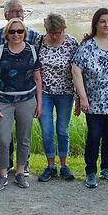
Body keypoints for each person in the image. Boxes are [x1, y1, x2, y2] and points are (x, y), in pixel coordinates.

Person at [72, 8, 108, 189]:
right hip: (94, 101)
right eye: (103, 21)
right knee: (94, 135)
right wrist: (82, 97)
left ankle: (106, 168)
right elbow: (76, 70)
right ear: (96, 23)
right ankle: (90, 171)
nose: (106, 25)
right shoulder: (87, 46)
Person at [0, 18, 42, 190]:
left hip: (26, 100)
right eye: (12, 31)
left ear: (24, 33)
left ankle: (20, 172)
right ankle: (2, 173)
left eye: (20, 31)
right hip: (3, 101)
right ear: (6, 34)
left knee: (24, 138)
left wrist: (39, 103)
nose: (16, 34)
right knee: (3, 139)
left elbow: (38, 79)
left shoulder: (32, 51)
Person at [37, 13, 79, 182]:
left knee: (62, 130)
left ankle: (64, 165)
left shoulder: (72, 43)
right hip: (45, 93)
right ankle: (50, 165)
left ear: (64, 29)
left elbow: (77, 72)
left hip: (65, 93)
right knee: (47, 130)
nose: (54, 35)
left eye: (58, 32)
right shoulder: (39, 42)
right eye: (51, 32)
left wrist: (78, 97)